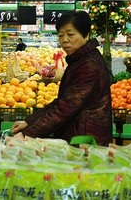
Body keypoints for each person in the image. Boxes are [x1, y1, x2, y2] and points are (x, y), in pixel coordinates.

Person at [10, 11, 113, 146]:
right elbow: (63, 101)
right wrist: (29, 122)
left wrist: (27, 134)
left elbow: (66, 107)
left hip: (85, 140)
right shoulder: (80, 59)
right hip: (80, 134)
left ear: (86, 35)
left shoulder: (89, 65)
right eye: (60, 35)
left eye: (70, 34)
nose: (65, 40)